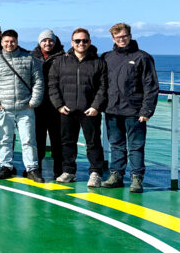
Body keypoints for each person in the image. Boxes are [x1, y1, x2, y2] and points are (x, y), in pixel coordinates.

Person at [100, 23, 159, 193]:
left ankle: (137, 178)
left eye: (124, 36)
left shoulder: (143, 57)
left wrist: (146, 111)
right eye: (118, 37)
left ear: (130, 36)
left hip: (135, 111)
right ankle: (116, 175)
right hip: (112, 110)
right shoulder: (107, 57)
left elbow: (151, 86)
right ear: (113, 39)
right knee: (116, 145)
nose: (122, 39)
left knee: (136, 146)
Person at [48, 29, 108, 186]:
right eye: (77, 41)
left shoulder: (98, 62)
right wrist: (59, 105)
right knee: (67, 142)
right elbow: (52, 85)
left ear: (90, 42)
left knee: (93, 143)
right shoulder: (60, 62)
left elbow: (103, 87)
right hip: (67, 110)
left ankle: (95, 173)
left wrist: (96, 106)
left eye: (85, 40)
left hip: (90, 111)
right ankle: (69, 171)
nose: (81, 43)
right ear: (71, 42)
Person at [0, 30, 45, 182]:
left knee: (28, 140)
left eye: (12, 41)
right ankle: (6, 166)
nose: (9, 44)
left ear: (17, 42)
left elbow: (38, 81)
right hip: (3, 108)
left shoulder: (29, 59)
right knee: (4, 139)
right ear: (1, 42)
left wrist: (34, 102)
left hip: (25, 108)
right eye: (6, 41)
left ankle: (31, 168)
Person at [31, 30, 65, 176]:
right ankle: (36, 167)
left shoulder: (63, 58)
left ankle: (59, 169)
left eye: (50, 40)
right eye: (44, 40)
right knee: (37, 138)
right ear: (39, 42)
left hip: (56, 105)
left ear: (55, 42)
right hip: (38, 104)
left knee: (57, 138)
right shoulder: (33, 57)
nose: (47, 43)